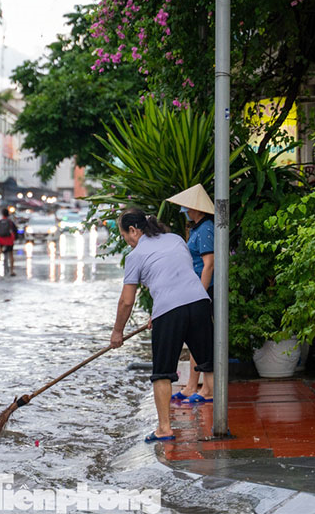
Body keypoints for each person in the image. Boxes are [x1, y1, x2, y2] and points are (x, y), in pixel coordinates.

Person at [110, 207, 214, 443]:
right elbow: (178, 273)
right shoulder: (176, 239)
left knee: (162, 374)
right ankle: (218, 423)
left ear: (134, 230)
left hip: (170, 311)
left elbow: (127, 301)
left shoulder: (135, 257)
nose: (126, 240)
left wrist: (117, 332)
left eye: (125, 235)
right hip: (198, 302)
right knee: (209, 362)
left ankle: (164, 429)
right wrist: (157, 314)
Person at [166, 184, 215, 404]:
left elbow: (209, 264)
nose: (185, 210)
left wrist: (200, 293)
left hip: (203, 289)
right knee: (196, 339)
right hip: (195, 289)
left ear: (196, 208)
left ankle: (206, 389)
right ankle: (192, 386)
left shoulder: (205, 229)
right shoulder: (197, 228)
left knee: (201, 339)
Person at [0, 208, 18, 276]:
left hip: (1, 239)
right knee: (11, 254)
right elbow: (15, 230)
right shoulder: (10, 222)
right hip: (9, 240)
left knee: (0, 247)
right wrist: (16, 238)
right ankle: (12, 271)